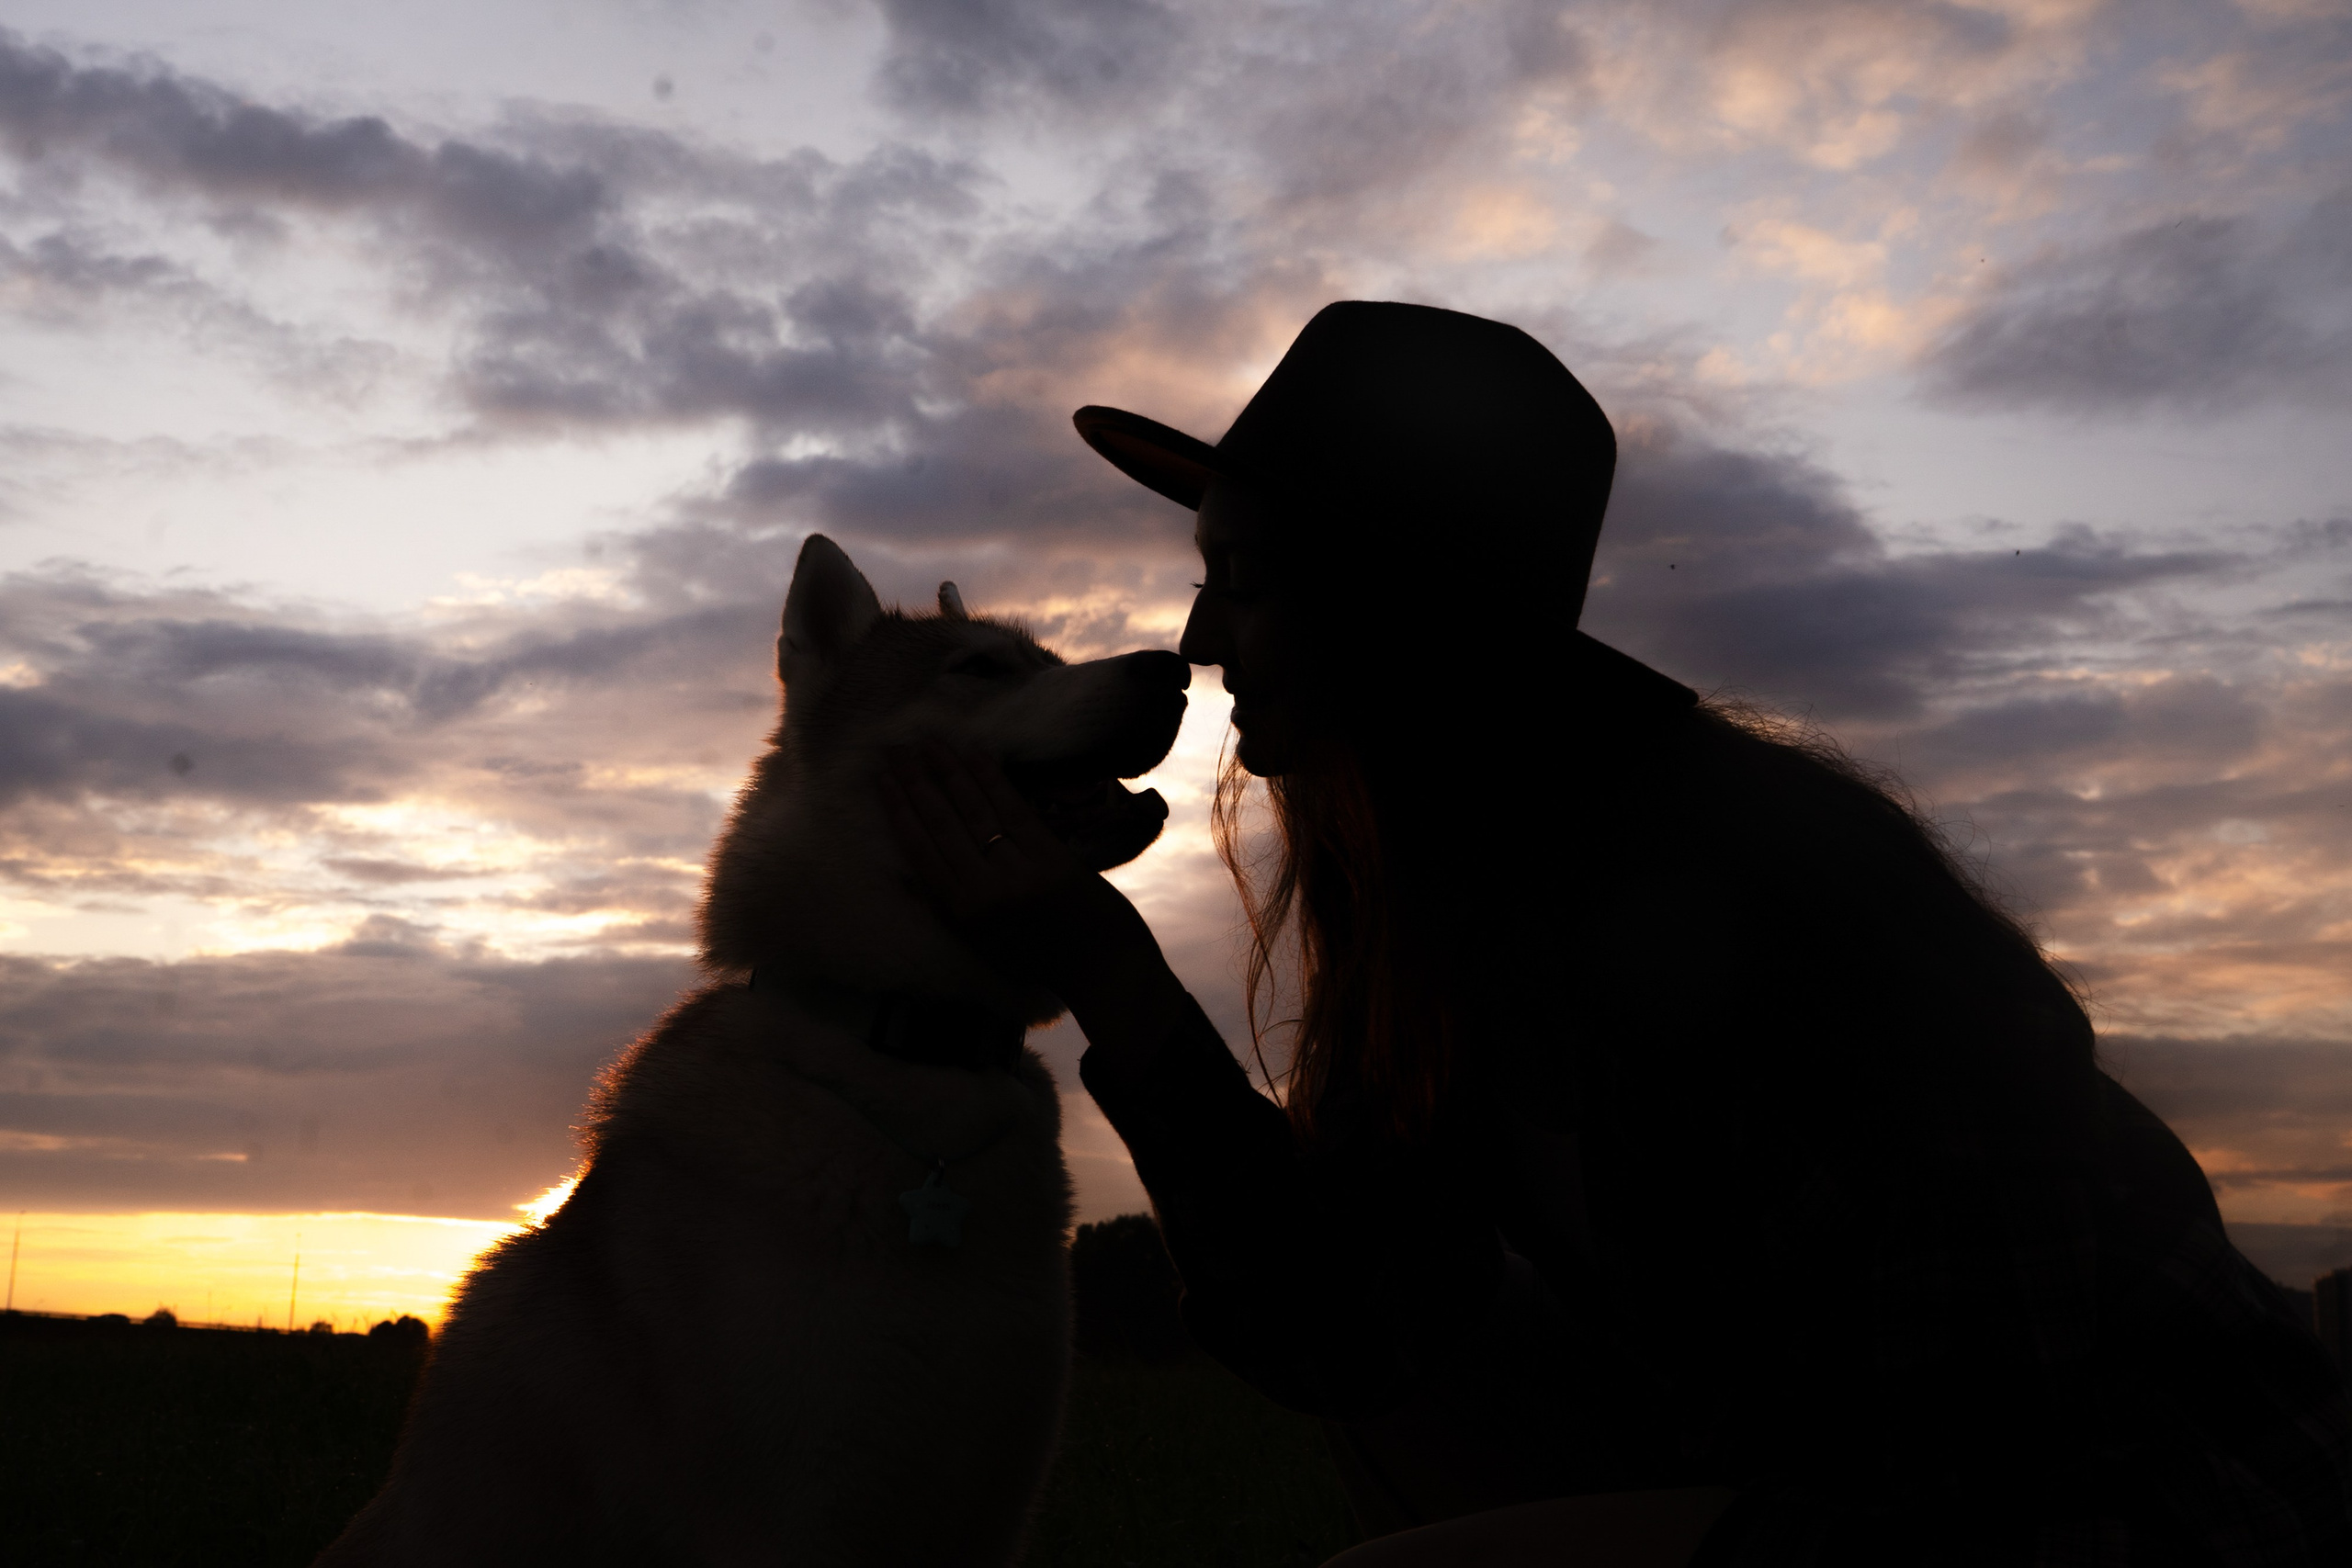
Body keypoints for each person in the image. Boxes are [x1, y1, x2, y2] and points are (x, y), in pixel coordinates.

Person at [880, 302, 2352, 1566]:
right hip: (1873, 1485)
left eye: (1247, 586)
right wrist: (1109, 970)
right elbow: (1343, 1332)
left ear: (1397, 615)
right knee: (1420, 1393)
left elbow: (1970, 1469)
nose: (1200, 643)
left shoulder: (1788, 902)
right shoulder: (1456, 912)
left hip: (2140, 1517)